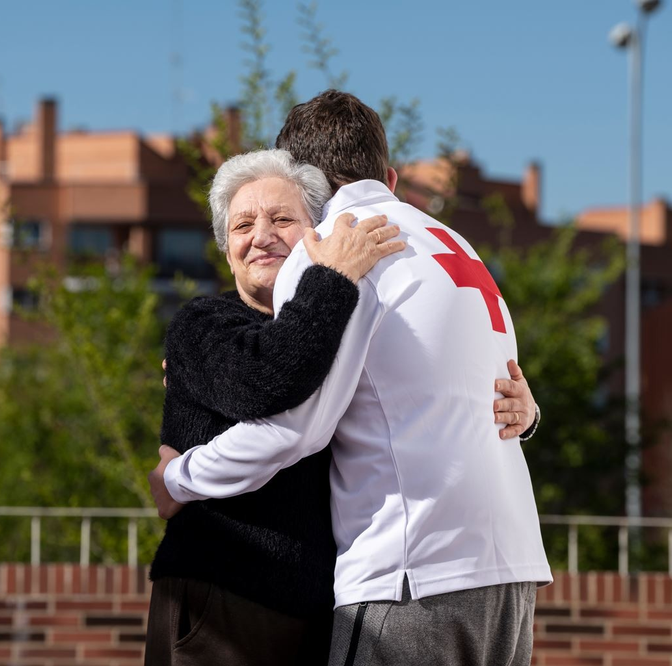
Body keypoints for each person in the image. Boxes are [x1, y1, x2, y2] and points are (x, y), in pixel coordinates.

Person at [151, 91, 551, 666]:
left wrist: (180, 477)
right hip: (509, 568)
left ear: (303, 180)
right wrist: (530, 415)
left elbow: (294, 429)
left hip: (411, 572)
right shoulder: (456, 245)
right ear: (388, 175)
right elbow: (493, 393)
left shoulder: (334, 250)